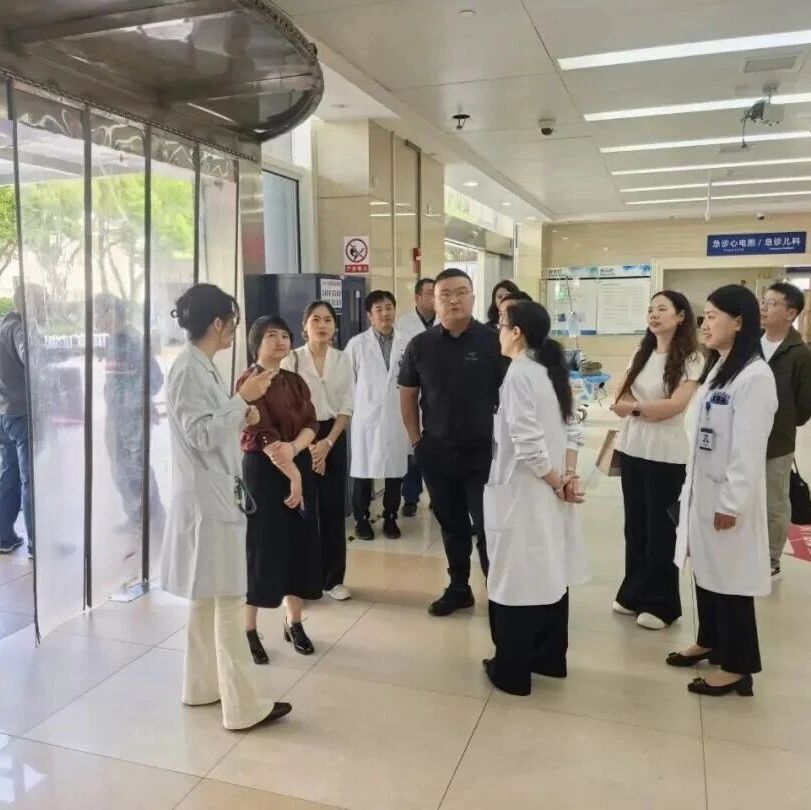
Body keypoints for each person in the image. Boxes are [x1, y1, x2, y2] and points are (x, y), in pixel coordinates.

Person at [160, 283, 291, 730]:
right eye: (232, 321)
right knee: (231, 599)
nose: (235, 329)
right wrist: (242, 402)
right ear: (218, 323)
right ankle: (244, 707)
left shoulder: (201, 366)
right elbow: (201, 434)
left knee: (206, 596)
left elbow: (214, 422)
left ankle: (201, 687)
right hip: (208, 500)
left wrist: (240, 411)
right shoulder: (188, 370)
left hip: (211, 492)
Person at [669, 284, 777, 697]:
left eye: (713, 316)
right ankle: (710, 640)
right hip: (704, 488)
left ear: (739, 322)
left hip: (728, 497)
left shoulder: (755, 377)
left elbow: (747, 451)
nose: (705, 324)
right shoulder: (721, 367)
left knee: (731, 581)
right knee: (707, 571)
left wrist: (731, 503)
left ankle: (737, 667)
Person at [483, 301, 589, 696]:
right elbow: (572, 430)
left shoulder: (519, 374)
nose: (498, 331)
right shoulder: (550, 371)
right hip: (549, 488)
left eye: (502, 325)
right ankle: (548, 658)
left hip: (528, 490)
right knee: (549, 573)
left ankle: (511, 670)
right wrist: (567, 477)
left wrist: (558, 482)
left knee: (518, 578)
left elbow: (527, 445)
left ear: (517, 333)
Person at [399, 268, 505, 616]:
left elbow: (512, 396)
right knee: (452, 525)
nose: (453, 300)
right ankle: (459, 588)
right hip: (438, 453)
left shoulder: (494, 341)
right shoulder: (420, 345)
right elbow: (407, 394)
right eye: (445, 294)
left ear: (473, 297)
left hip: (485, 455)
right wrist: (417, 442)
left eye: (461, 292)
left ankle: (500, 594)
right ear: (433, 301)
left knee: (488, 526)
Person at [609, 291, 703, 630]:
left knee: (661, 529)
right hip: (633, 448)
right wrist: (643, 409)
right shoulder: (642, 351)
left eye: (662, 309)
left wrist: (635, 408)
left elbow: (675, 406)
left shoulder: (692, 358)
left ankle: (661, 603)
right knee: (635, 525)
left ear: (680, 316)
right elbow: (618, 396)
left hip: (666, 453)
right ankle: (633, 592)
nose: (654, 314)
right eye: (650, 309)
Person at [237, 315, 321, 663]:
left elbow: (311, 421)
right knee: (263, 548)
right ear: (257, 342)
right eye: (272, 335)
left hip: (295, 460)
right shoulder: (249, 381)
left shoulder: (295, 380)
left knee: (298, 544)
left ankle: (294, 622)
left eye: (285, 335)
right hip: (264, 472)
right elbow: (262, 434)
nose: (281, 341)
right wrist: (294, 474)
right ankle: (248, 629)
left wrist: (296, 449)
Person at [281, 301, 353, 601]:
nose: (322, 325)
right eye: (315, 320)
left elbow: (346, 406)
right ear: (304, 326)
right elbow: (287, 407)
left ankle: (333, 579)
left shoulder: (342, 359)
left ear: (334, 327)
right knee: (305, 510)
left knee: (333, 509)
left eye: (327, 320)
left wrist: (327, 444)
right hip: (301, 438)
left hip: (333, 436)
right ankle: (305, 581)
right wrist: (311, 447)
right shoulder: (291, 360)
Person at [94, 292, 166, 542]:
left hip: (133, 419)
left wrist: (136, 404)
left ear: (113, 312)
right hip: (116, 417)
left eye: (98, 313)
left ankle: (155, 519)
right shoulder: (112, 341)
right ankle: (135, 516)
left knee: (138, 469)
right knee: (119, 470)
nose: (95, 320)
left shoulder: (134, 341)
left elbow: (155, 379)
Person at [345, 290, 410, 541]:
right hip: (366, 418)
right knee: (363, 472)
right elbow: (348, 383)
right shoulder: (357, 345)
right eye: (379, 309)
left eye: (389, 307)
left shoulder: (407, 343)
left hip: (396, 416)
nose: (385, 313)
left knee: (395, 471)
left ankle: (390, 517)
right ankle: (361, 519)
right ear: (369, 315)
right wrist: (358, 410)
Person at [759, 282, 811, 579]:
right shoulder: (750, 344)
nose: (764, 308)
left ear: (791, 313)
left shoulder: (799, 353)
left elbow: (804, 405)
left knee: (774, 501)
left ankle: (771, 557)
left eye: (772, 303)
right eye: (763, 302)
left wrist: (783, 420)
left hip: (777, 442)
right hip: (744, 437)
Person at [0, 285, 40, 558]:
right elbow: (32, 359)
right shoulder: (20, 329)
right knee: (31, 478)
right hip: (22, 413)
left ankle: (4, 535)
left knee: (11, 472)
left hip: (5, 412)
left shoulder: (3, 326)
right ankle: (39, 543)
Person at [395, 277, 436, 517]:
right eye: (430, 293)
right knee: (412, 450)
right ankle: (410, 497)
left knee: (435, 451)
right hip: (411, 390)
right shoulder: (404, 324)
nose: (434, 297)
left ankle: (436, 495)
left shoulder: (445, 321)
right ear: (418, 297)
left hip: (437, 394)